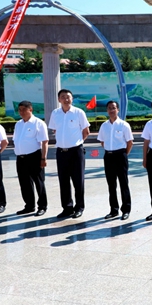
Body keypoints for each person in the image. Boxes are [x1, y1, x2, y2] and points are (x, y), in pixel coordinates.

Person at [48, 89, 90, 219]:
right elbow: (55, 130)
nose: (66, 99)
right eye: (63, 97)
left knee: (78, 181)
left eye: (68, 97)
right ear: (59, 99)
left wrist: (77, 143)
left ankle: (79, 207)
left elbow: (86, 131)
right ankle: (67, 208)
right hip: (61, 152)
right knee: (63, 181)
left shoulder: (79, 112)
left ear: (72, 99)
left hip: (76, 152)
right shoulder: (55, 113)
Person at [97, 101, 133, 221]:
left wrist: (123, 154)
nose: (111, 110)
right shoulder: (104, 126)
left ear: (118, 110)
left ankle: (126, 210)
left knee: (123, 183)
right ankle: (114, 210)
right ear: (107, 110)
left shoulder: (124, 125)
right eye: (109, 108)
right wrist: (110, 151)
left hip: (120, 156)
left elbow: (130, 142)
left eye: (113, 108)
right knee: (111, 184)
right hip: (108, 156)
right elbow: (102, 141)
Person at [13, 101, 49, 216]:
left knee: (39, 182)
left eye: (24, 109)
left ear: (30, 110)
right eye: (19, 110)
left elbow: (44, 142)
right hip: (20, 158)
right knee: (24, 183)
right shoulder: (18, 124)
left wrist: (43, 158)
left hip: (34, 156)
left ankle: (42, 206)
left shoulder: (38, 123)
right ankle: (29, 206)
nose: (21, 112)